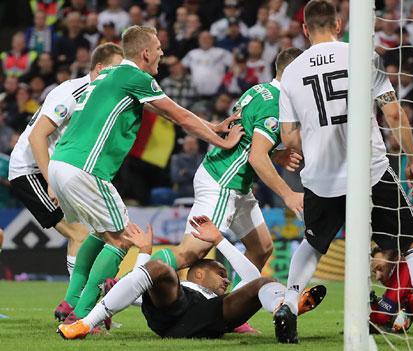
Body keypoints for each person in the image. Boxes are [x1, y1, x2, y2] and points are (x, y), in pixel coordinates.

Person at [277, 0, 413, 346]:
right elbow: (395, 114)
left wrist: (309, 145)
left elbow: (288, 137)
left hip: (322, 178)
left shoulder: (292, 71)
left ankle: (288, 305)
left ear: (305, 29)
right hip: (369, 173)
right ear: (339, 25)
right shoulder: (363, 55)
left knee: (312, 243)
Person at [49, 25, 243, 325]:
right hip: (86, 168)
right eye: (159, 48)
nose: (162, 53)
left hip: (61, 162)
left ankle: (70, 304)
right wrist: (221, 140)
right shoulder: (135, 76)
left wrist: (213, 126)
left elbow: (168, 112)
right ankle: (83, 316)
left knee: (101, 234)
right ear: (146, 52)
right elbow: (178, 115)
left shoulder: (108, 75)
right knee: (122, 238)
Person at [58, 216, 326, 340]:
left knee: (264, 283)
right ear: (198, 273)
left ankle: (286, 307)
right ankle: (84, 324)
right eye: (220, 273)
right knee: (161, 266)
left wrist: (220, 240)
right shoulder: (181, 286)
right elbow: (140, 286)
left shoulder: (221, 297)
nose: (227, 280)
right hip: (174, 312)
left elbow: (251, 277)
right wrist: (145, 252)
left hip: (213, 317)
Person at [8, 43, 124, 279]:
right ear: (99, 68)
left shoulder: (99, 97)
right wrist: (51, 182)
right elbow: (37, 136)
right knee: (79, 234)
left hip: (59, 169)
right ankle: (76, 307)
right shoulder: (72, 93)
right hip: (30, 170)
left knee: (93, 234)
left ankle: (86, 306)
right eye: (116, 69)